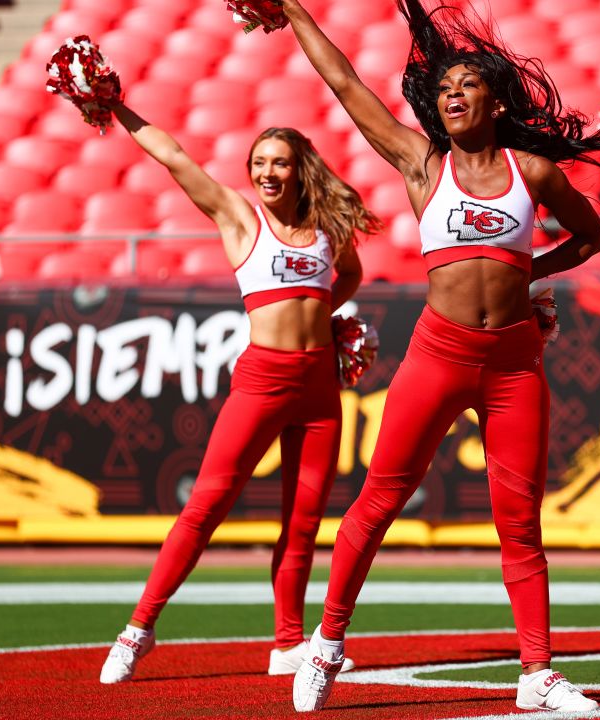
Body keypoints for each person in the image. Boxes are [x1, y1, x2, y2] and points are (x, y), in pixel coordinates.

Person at [277, 0, 600, 712]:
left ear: (494, 99)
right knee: (379, 500)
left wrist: (527, 274)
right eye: (444, 87)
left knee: (520, 521)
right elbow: (346, 84)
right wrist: (294, 10)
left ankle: (538, 673)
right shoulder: (423, 164)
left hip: (514, 364)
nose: (451, 93)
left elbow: (592, 237)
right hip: (440, 353)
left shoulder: (535, 173)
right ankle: (326, 644)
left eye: (467, 85)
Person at [98, 103, 382, 683]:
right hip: (263, 380)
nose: (268, 173)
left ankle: (286, 645)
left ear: (301, 169)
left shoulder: (328, 225)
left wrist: (329, 313)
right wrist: (116, 106)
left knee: (303, 524)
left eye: (280, 163)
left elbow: (348, 274)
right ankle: (138, 630)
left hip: (320, 387)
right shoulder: (240, 217)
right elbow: (175, 156)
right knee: (206, 506)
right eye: (259, 163)